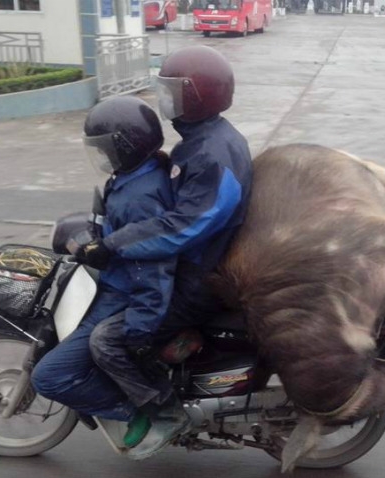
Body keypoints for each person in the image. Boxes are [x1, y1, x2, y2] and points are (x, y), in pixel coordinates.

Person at [73, 45, 253, 449]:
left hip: (196, 278)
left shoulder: (212, 153)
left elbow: (186, 226)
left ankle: (163, 409)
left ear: (196, 94)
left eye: (172, 91)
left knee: (107, 340)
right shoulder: (202, 140)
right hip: (192, 266)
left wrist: (114, 245)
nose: (164, 99)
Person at [30, 96, 177, 449]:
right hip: (114, 288)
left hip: (121, 298)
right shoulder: (135, 176)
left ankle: (139, 409)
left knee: (48, 378)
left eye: (106, 146)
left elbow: (153, 270)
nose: (102, 155)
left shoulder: (139, 198)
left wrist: (138, 331)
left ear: (126, 145)